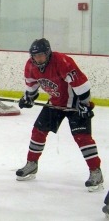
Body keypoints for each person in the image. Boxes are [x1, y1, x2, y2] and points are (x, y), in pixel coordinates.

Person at [16, 38, 103, 192]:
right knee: (38, 131)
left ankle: (96, 171)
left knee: (82, 138)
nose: (38, 59)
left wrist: (85, 105)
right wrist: (28, 98)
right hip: (55, 102)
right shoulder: (31, 65)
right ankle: (32, 164)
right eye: (35, 56)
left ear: (48, 53)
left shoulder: (62, 61)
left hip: (75, 102)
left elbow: (81, 84)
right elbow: (32, 85)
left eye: (41, 55)